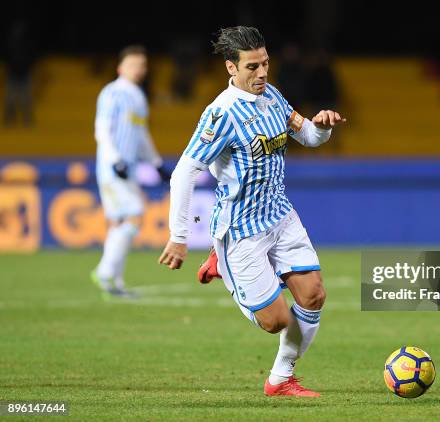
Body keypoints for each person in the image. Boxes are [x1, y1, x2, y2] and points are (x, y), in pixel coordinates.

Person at [158, 26, 345, 397]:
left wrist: (321, 127)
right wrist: (179, 237)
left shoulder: (272, 97)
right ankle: (221, 262)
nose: (262, 74)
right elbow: (183, 173)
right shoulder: (220, 114)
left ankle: (280, 379)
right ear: (231, 68)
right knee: (276, 320)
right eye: (252, 67)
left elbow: (306, 134)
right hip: (241, 229)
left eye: (265, 64)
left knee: (313, 295)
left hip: (280, 215)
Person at [92, 45, 171, 298]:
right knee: (135, 215)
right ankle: (105, 272)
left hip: (128, 168)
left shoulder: (138, 96)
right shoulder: (112, 93)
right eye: (134, 64)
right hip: (113, 167)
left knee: (118, 221)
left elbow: (141, 134)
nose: (139, 69)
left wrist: (156, 162)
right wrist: (115, 160)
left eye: (142, 65)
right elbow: (101, 129)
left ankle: (112, 283)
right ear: (120, 68)